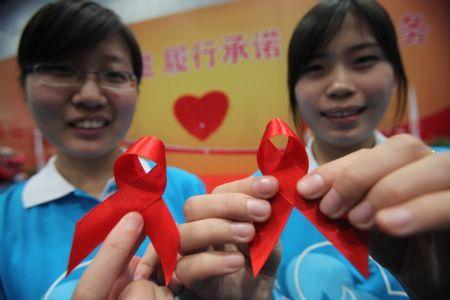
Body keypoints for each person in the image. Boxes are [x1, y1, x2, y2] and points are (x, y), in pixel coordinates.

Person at [127, 0, 449, 299]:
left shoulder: (438, 184)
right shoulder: (253, 203)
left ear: (396, 74)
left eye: (364, 61)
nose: (340, 85)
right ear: (294, 89)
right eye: (316, 68)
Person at [0, 1, 206, 299]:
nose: (90, 96)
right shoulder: (5, 220)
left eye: (113, 75)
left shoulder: (185, 190)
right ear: (24, 88)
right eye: (61, 70)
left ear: (136, 88)